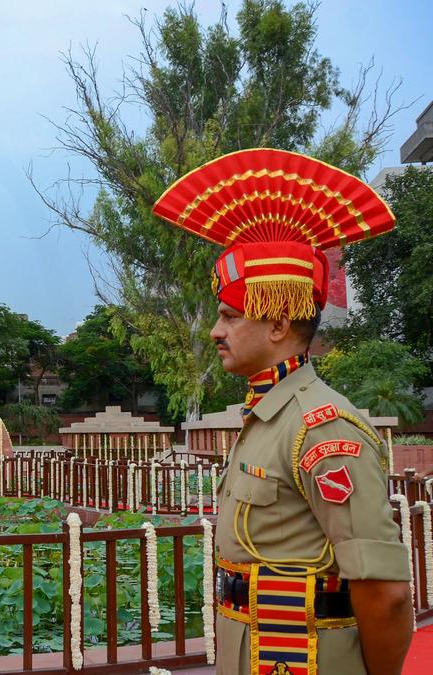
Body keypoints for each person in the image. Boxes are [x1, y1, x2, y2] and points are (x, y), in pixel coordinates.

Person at [152, 148, 412, 675]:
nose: (215, 331)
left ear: (277, 325)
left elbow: (384, 595)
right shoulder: (268, 417)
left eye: (229, 316)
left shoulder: (322, 426)